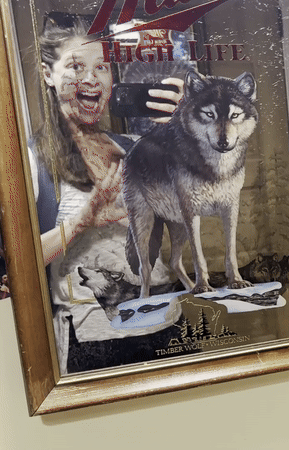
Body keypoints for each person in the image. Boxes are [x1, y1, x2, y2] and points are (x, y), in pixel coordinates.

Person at [32, 14, 185, 374]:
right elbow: (23, 263)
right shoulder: (30, 162)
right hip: (96, 346)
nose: (91, 77)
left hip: (167, 325)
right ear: (47, 74)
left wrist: (186, 132)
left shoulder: (132, 147)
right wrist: (84, 221)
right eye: (76, 65)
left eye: (101, 67)